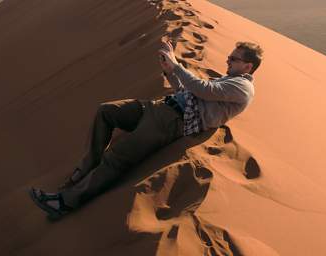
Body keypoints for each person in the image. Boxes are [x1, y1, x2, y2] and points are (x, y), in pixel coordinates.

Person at [29, 41, 263, 219]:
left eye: (233, 59)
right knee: (106, 111)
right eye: (230, 57)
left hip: (170, 121)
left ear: (248, 66)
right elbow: (189, 93)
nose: (227, 60)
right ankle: (88, 166)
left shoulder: (241, 88)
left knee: (117, 158)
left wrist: (176, 64)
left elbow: (201, 89)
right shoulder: (229, 80)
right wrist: (170, 71)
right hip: (159, 107)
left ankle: (64, 203)